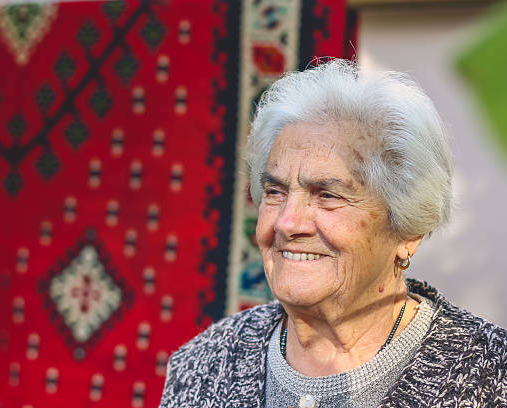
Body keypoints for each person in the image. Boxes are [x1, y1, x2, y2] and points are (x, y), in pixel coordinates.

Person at [159, 59, 507, 407]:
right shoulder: (205, 365)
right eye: (275, 192)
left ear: (408, 230)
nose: (287, 223)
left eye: (327, 195)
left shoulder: (491, 377)